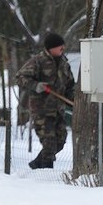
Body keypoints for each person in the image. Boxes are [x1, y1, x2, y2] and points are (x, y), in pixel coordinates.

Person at [15, 32, 76, 170]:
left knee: (60, 141)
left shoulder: (64, 63)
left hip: (58, 110)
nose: (63, 48)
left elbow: (70, 84)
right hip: (42, 110)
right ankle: (46, 175)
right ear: (50, 48)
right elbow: (20, 77)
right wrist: (36, 86)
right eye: (59, 46)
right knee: (49, 143)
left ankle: (36, 165)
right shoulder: (38, 61)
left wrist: (73, 100)